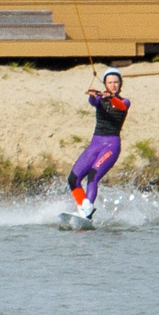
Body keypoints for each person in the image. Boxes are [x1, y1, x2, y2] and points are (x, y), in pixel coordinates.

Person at [66, 68, 128, 221]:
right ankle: (84, 210)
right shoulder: (101, 99)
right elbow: (93, 101)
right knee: (73, 179)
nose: (113, 85)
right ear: (105, 84)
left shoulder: (124, 101)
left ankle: (88, 207)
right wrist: (94, 95)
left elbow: (121, 106)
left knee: (93, 176)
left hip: (111, 146)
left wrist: (112, 97)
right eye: (110, 82)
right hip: (95, 144)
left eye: (116, 82)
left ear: (120, 85)